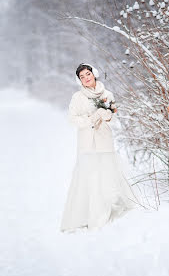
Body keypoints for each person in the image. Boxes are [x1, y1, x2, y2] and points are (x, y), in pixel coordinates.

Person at [60, 63, 138, 232]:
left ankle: (108, 209)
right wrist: (91, 119)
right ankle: (89, 215)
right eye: (82, 77)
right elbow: (73, 119)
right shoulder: (77, 97)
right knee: (90, 177)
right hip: (87, 143)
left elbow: (115, 118)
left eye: (88, 74)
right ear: (79, 81)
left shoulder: (107, 94)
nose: (86, 78)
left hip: (104, 141)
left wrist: (108, 116)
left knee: (107, 175)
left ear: (93, 74)